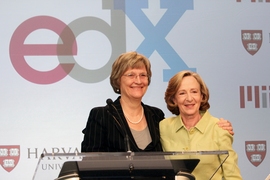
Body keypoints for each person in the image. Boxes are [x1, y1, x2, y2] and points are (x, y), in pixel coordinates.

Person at [81, 51, 234, 152]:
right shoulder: (101, 115)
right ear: (117, 80)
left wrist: (217, 126)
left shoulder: (156, 115)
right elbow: (89, 165)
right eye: (131, 75)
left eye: (143, 75)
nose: (138, 81)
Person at [159, 70, 242, 179]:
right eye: (182, 93)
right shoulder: (164, 127)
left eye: (194, 92)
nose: (189, 98)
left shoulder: (219, 128)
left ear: (202, 96)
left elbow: (232, 176)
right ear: (174, 99)